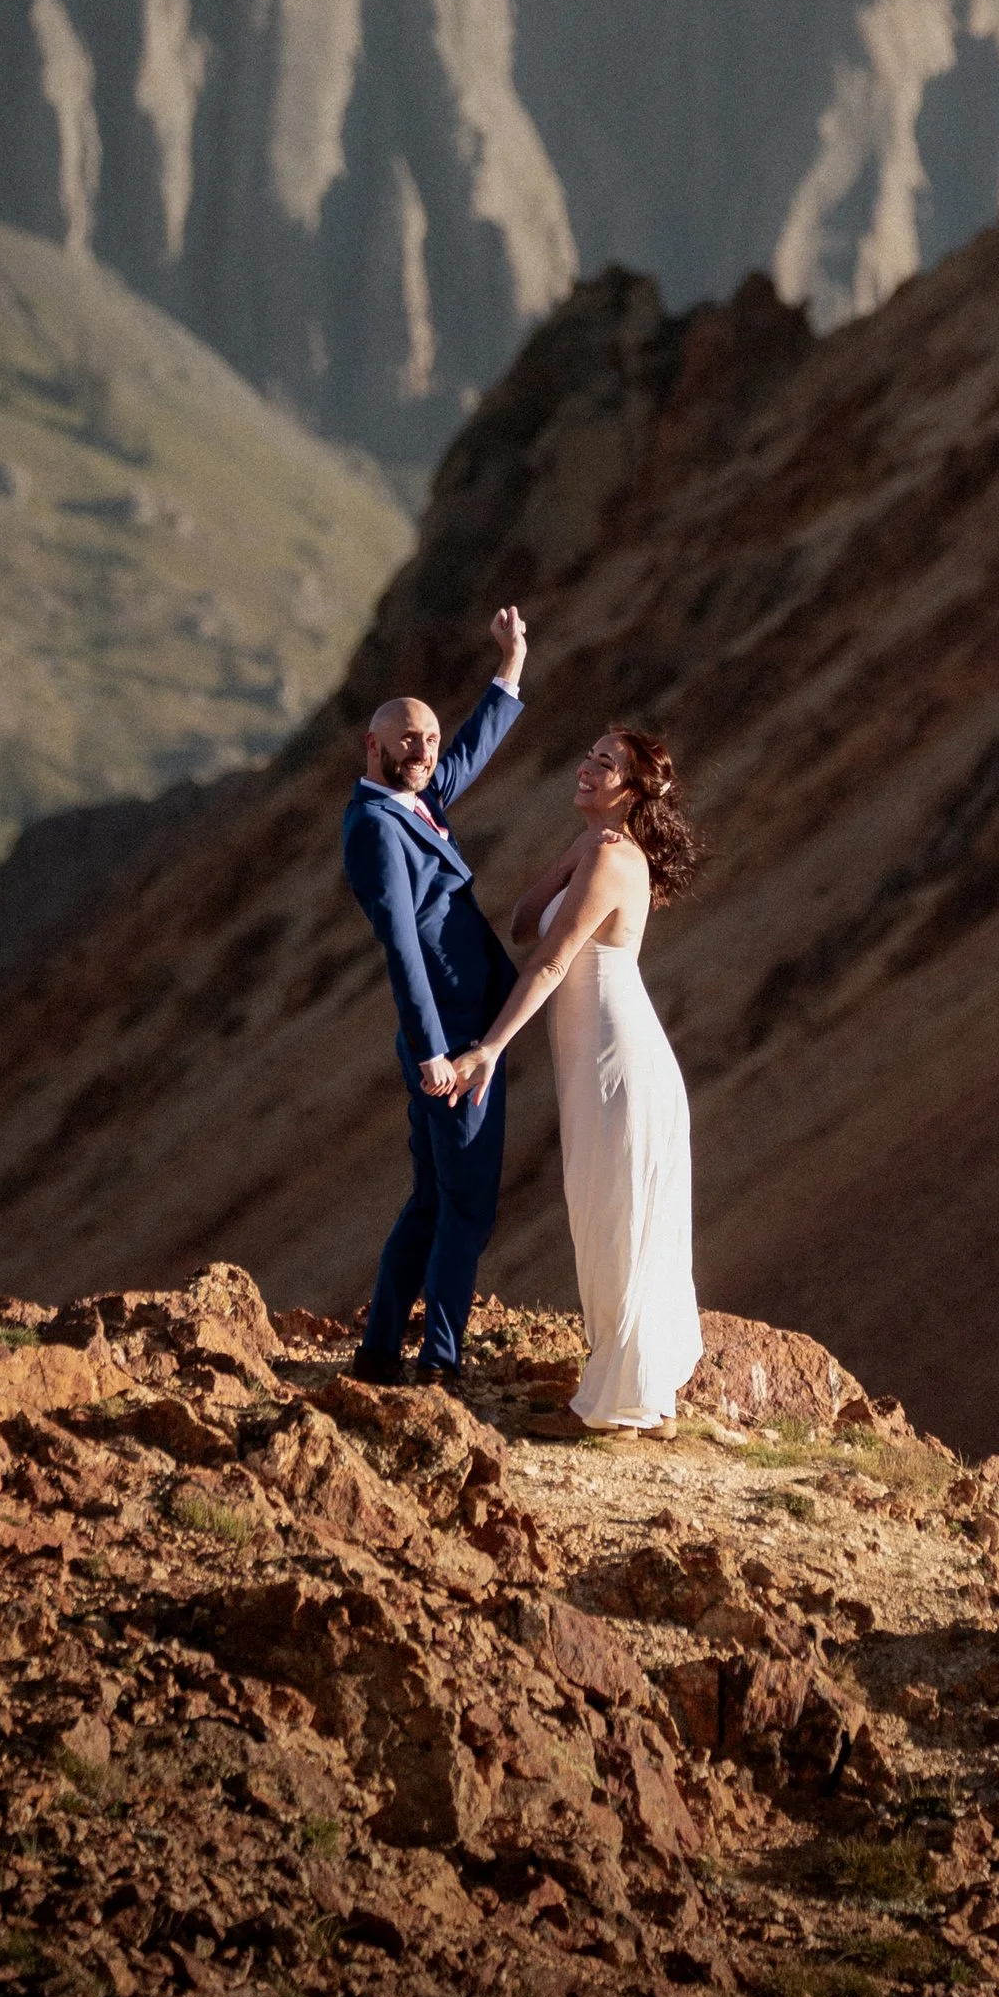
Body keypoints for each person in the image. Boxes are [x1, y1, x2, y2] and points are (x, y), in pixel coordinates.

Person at [434, 725, 702, 1432]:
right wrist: (577, 848)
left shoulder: (617, 861)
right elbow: (524, 921)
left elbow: (550, 963)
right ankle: (625, 1393)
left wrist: (490, 1048)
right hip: (592, 1061)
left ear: (634, 789)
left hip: (620, 1058)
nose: (586, 767)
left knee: (616, 1215)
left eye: (604, 764)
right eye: (588, 754)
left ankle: (620, 1407)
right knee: (598, 1211)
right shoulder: (599, 850)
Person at [341, 605, 530, 1389]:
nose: (424, 751)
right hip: (451, 1042)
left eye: (428, 737)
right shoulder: (376, 828)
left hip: (459, 1033)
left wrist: (511, 665)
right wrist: (434, 1056)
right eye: (406, 740)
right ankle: (439, 1363)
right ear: (373, 747)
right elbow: (404, 948)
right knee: (468, 1210)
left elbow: (463, 761)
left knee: (431, 1202)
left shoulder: (411, 800)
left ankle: (381, 1350)